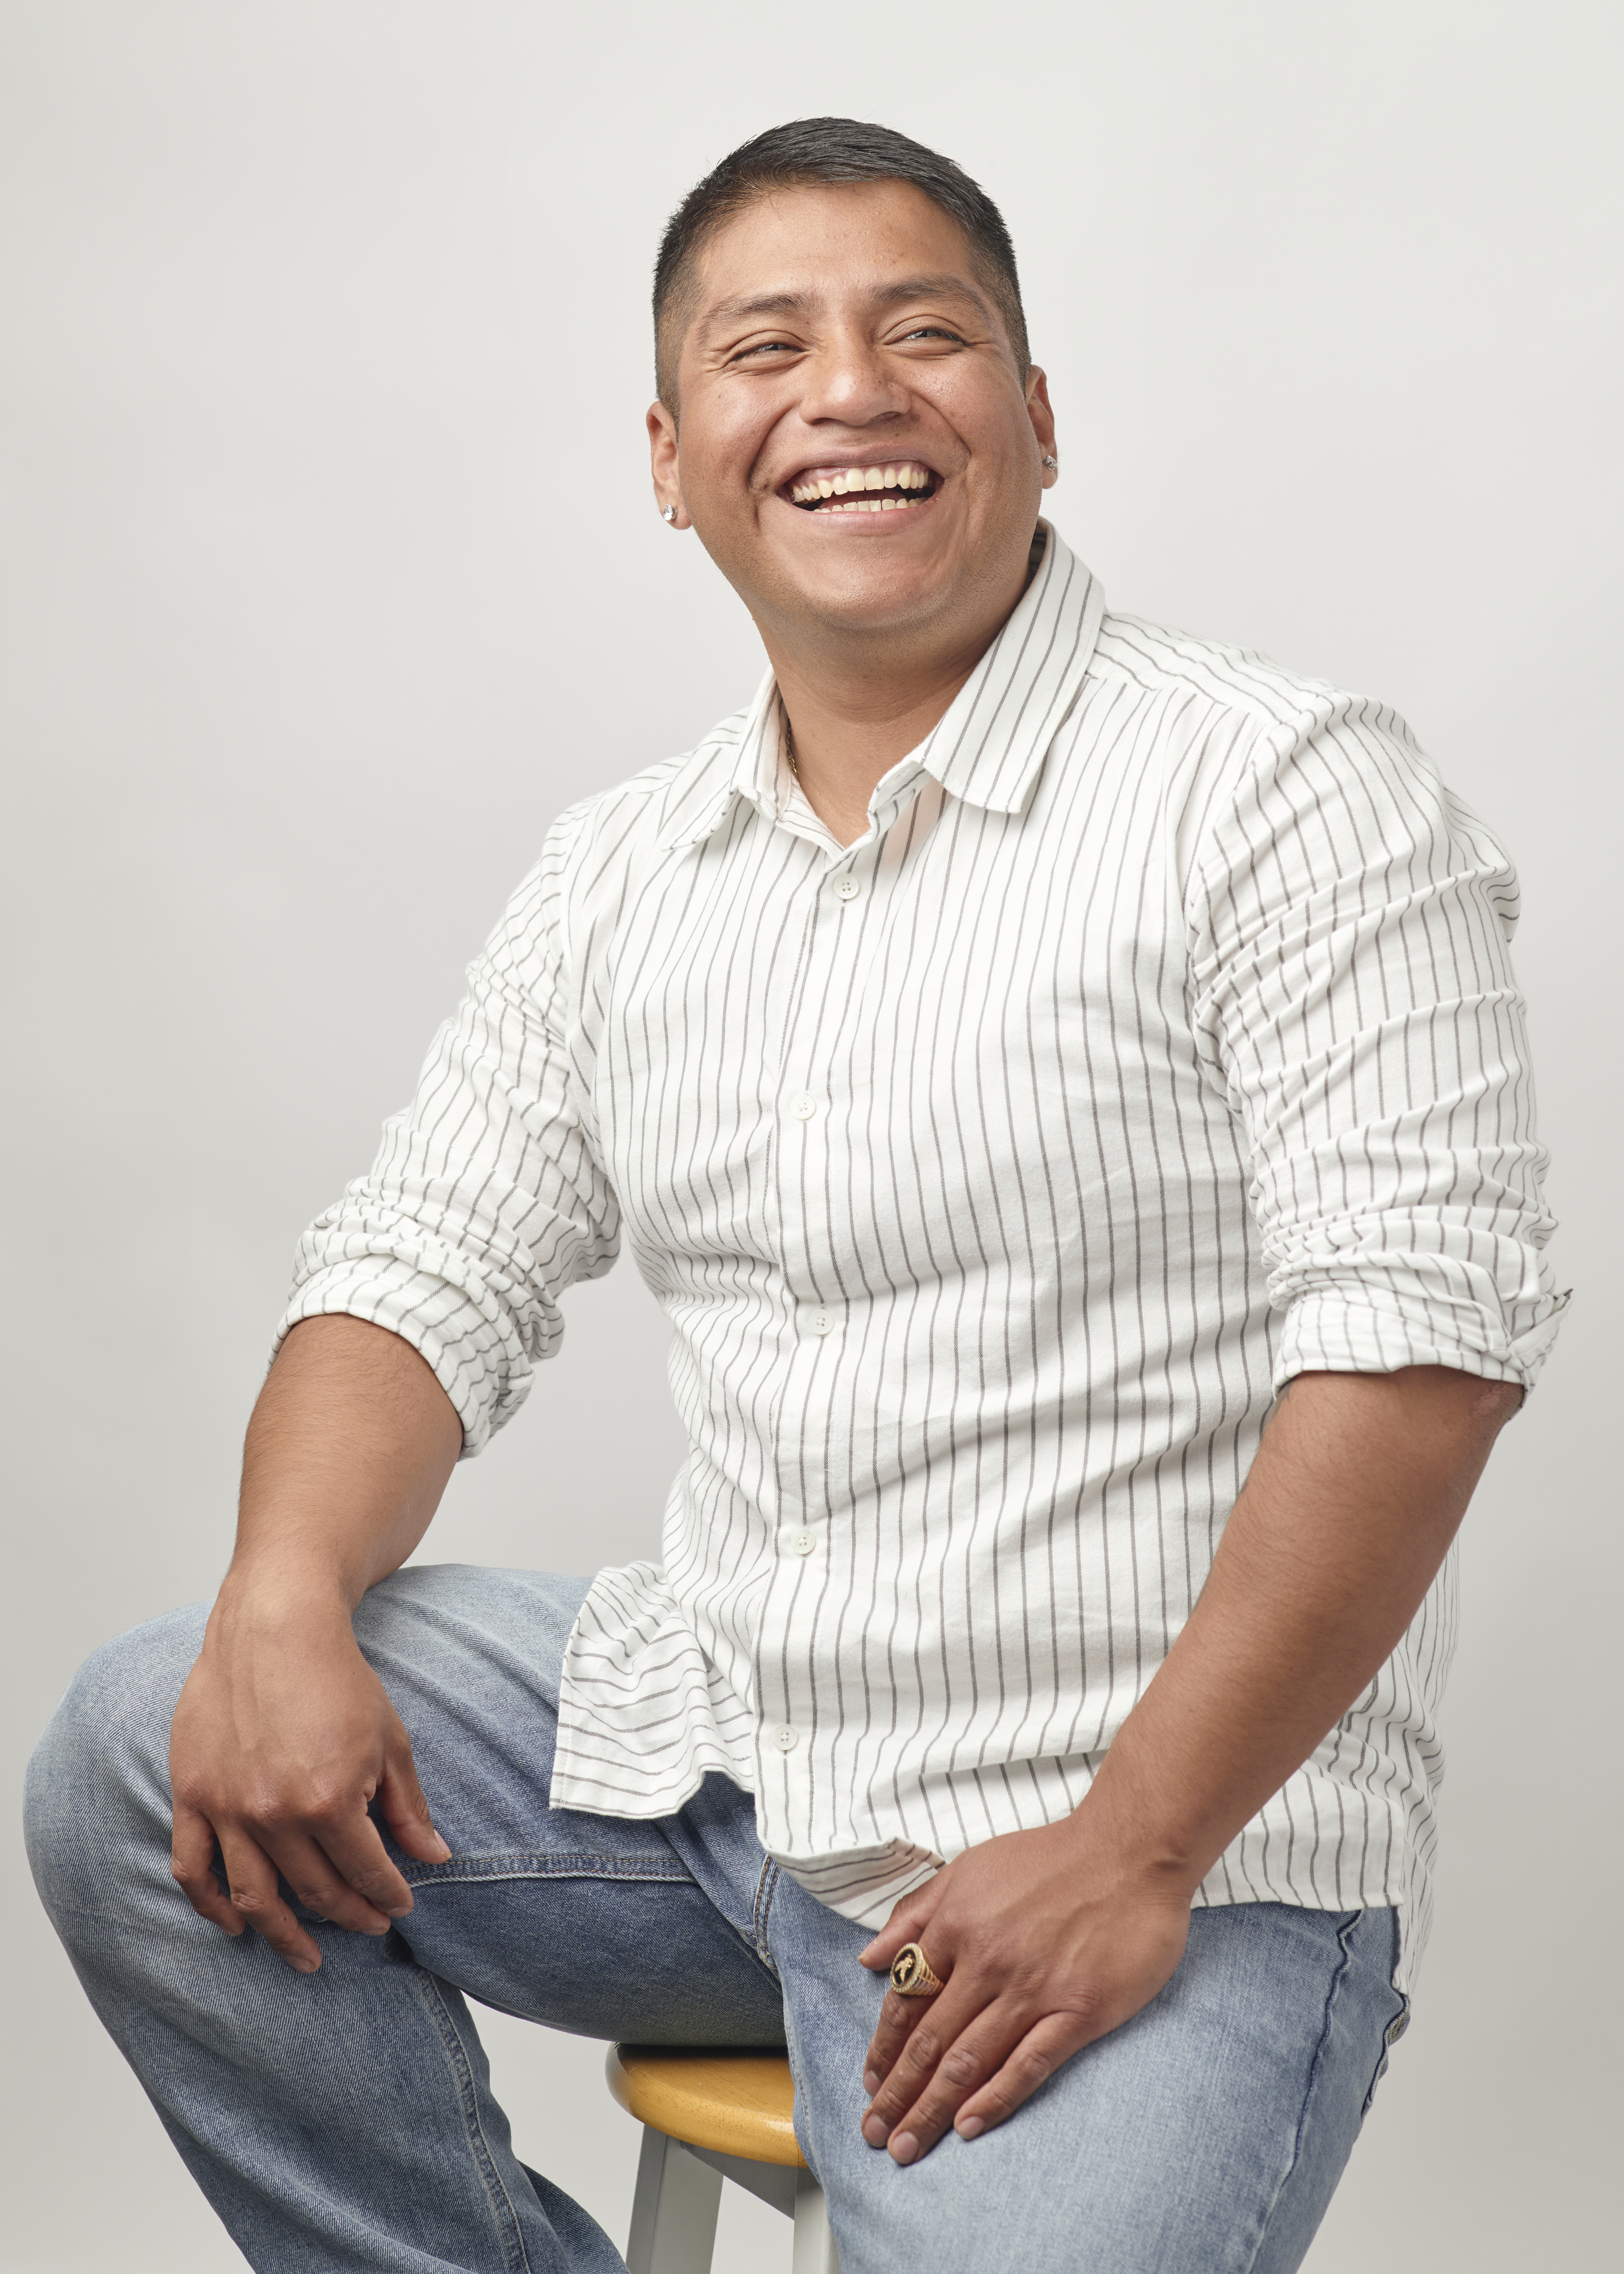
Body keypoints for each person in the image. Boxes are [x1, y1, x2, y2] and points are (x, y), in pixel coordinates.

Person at [26, 118, 1563, 2274]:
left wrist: (1130, 1845)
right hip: (718, 1774)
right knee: (136, 1744)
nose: (847, 390)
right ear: (673, 456)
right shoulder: (622, 870)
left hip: (1145, 1829)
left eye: (922, 332)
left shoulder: (1286, 788)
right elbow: (418, 1267)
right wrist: (282, 1596)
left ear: (1031, 418)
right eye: (768, 348)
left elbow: (1419, 1349)